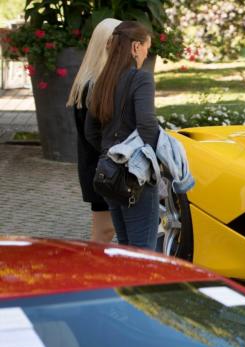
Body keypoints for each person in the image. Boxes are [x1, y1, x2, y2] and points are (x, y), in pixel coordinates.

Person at [85, 20, 160, 250]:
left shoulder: (102, 80)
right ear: (136, 47)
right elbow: (147, 125)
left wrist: (112, 153)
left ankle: (123, 286)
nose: (146, 54)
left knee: (126, 249)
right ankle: (137, 287)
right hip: (135, 176)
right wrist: (155, 162)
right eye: (146, 47)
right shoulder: (141, 78)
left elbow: (91, 131)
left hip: (108, 174)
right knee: (142, 251)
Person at [67, 17, 121, 244]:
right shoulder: (96, 85)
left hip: (97, 167)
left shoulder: (91, 81)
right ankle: (91, 274)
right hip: (103, 168)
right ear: (109, 44)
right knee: (105, 231)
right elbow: (95, 134)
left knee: (106, 230)